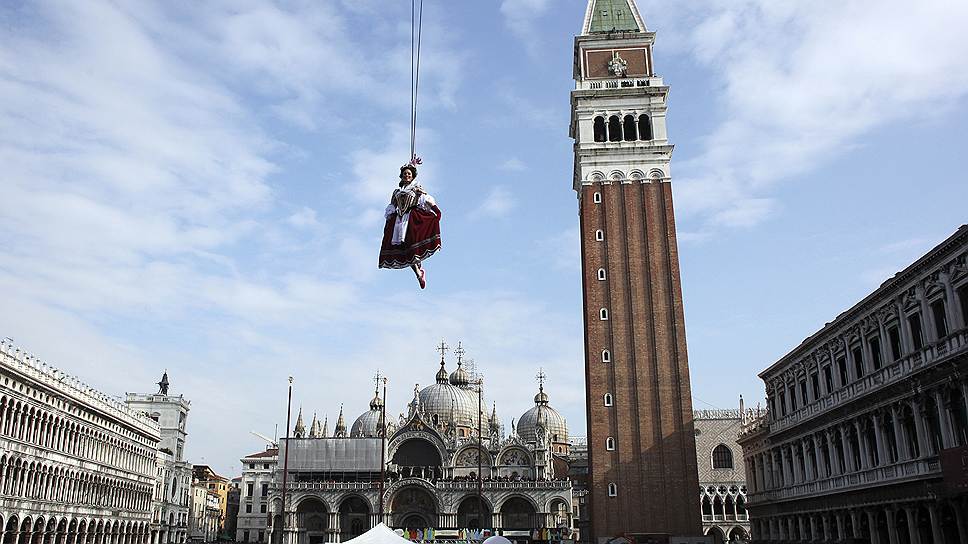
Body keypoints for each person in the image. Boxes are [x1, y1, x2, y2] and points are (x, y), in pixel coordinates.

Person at [378, 164, 441, 288]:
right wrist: (389, 219)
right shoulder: (396, 192)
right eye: (405, 174)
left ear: (412, 177)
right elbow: (392, 206)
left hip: (412, 218)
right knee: (405, 249)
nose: (407, 175)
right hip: (399, 221)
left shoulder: (416, 188)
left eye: (409, 174)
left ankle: (419, 267)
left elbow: (425, 199)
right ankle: (418, 273)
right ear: (401, 176)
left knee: (412, 244)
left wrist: (436, 210)